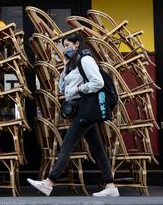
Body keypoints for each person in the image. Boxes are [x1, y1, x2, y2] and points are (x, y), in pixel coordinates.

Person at [27, 32, 119, 197]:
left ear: (77, 44)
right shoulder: (72, 63)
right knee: (97, 148)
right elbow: (63, 90)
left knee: (67, 144)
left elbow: (98, 82)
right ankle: (111, 186)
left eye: (68, 45)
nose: (65, 48)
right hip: (80, 109)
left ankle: (49, 182)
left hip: (86, 108)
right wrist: (64, 67)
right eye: (64, 46)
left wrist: (80, 89)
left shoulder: (85, 59)